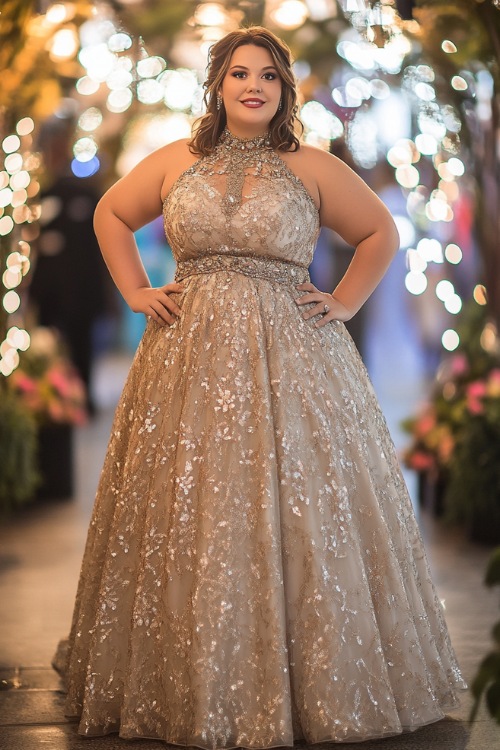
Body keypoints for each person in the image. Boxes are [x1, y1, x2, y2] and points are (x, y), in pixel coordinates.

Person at [53, 26, 465, 747]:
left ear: (283, 90)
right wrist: (134, 290)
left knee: (298, 503)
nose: (253, 86)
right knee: (193, 505)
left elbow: (379, 234)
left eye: (268, 76)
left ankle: (307, 678)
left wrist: (342, 302)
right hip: (185, 361)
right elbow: (110, 214)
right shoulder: (177, 160)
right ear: (217, 84)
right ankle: (191, 676)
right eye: (240, 73)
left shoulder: (310, 165)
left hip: (294, 360)